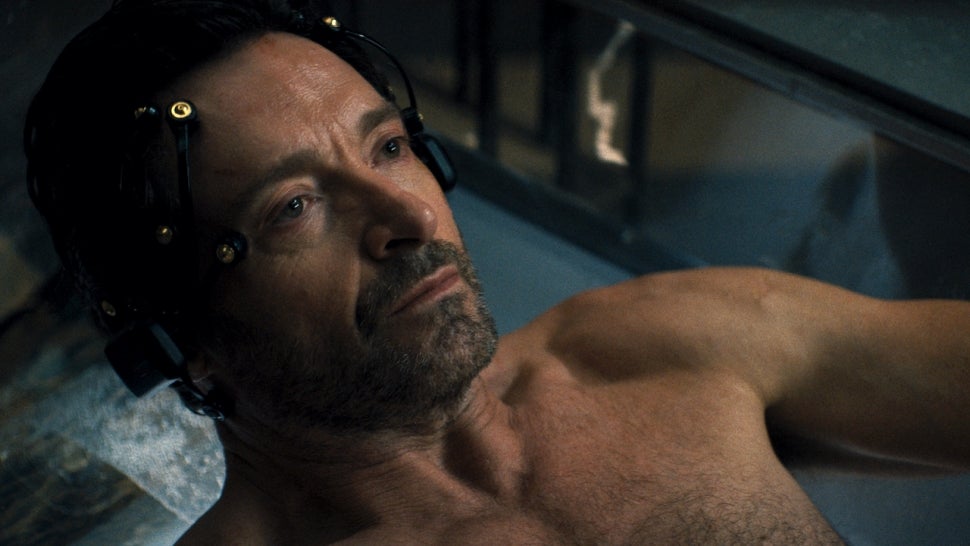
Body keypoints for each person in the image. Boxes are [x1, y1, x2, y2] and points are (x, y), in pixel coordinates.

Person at [24, 0, 970, 543]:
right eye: (294, 208)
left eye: (389, 147)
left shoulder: (668, 344)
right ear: (176, 336)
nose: (410, 218)